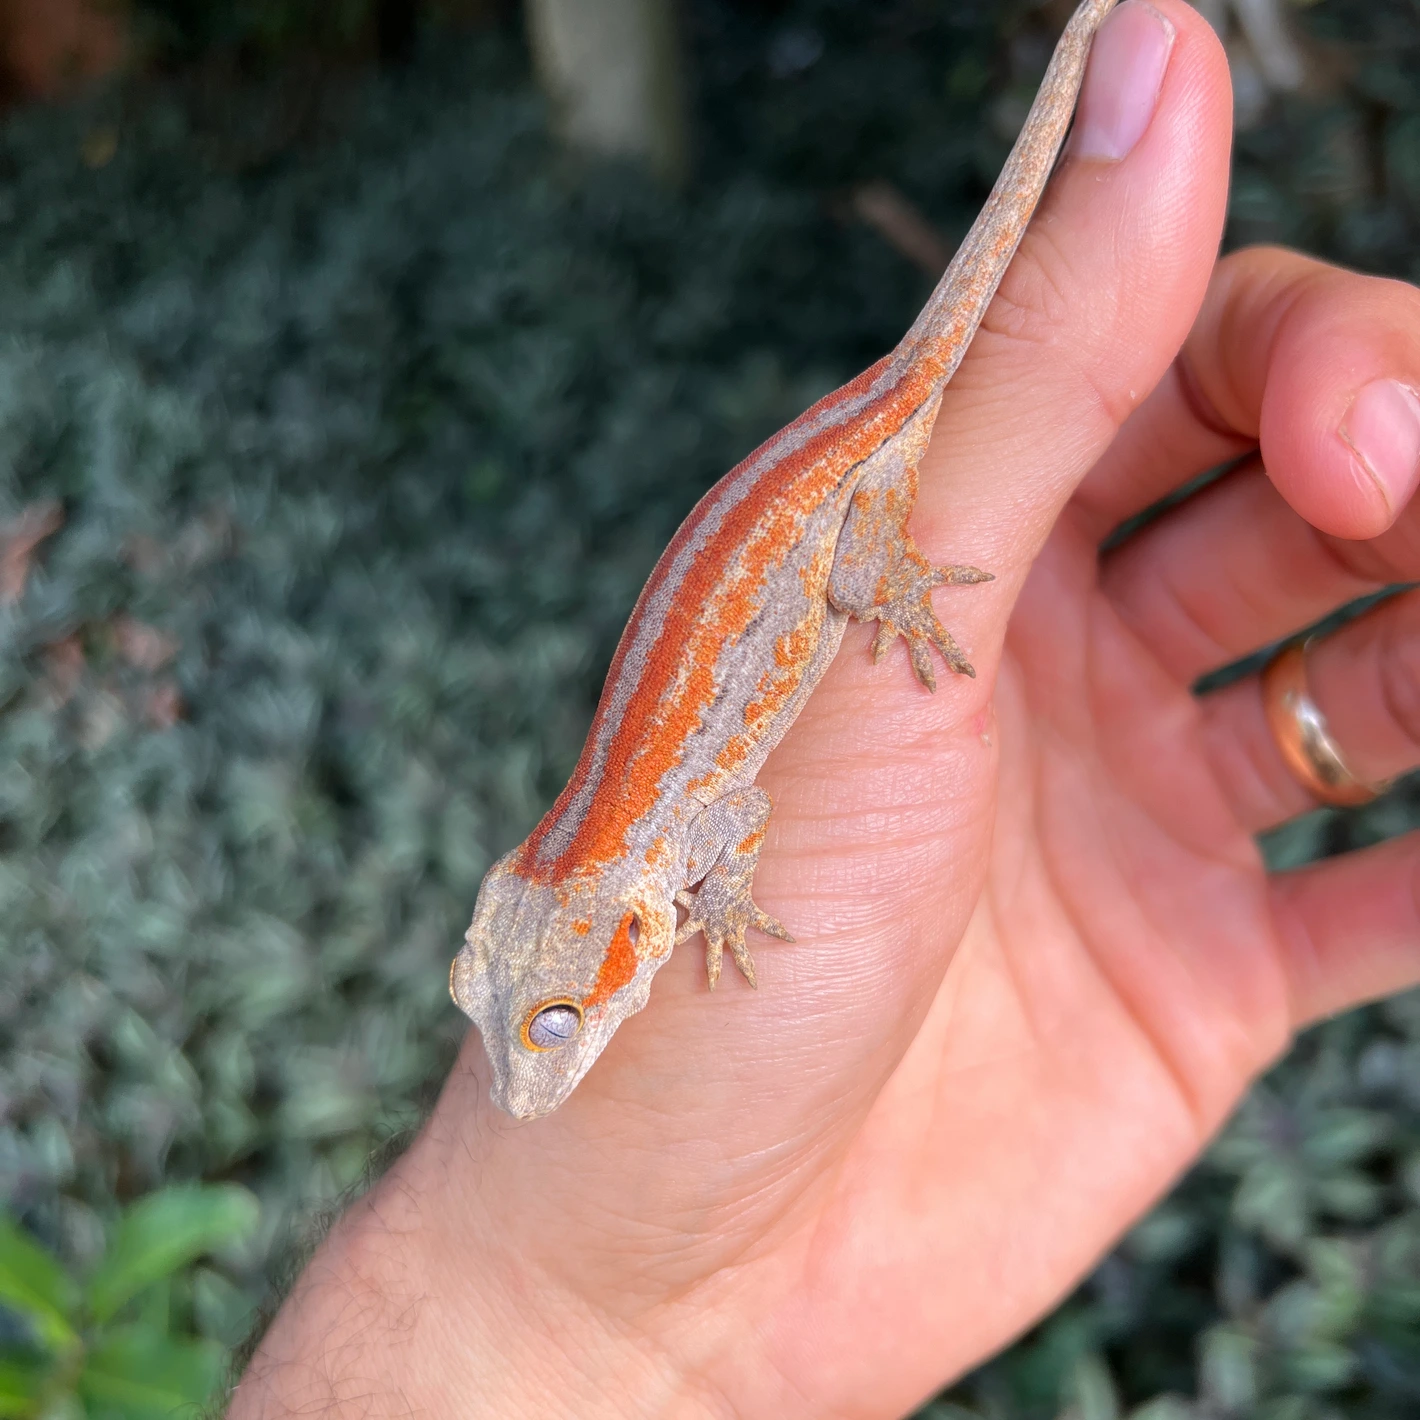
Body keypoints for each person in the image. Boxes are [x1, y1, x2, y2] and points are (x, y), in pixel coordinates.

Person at [227, 3, 1420, 1416]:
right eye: (530, 1027)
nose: (525, 1075)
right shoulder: (628, 867)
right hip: (802, 516)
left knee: (948, 397)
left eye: (548, 1021)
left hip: (829, 512)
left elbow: (727, 801)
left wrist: (892, 590)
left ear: (605, 934)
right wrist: (547, 1306)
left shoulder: (645, 859)